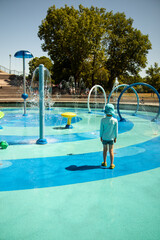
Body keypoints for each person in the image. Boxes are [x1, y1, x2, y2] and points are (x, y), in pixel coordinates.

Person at [100, 103, 118, 169]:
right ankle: (111, 164)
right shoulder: (115, 121)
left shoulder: (103, 120)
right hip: (111, 138)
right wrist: (116, 137)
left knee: (105, 150)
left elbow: (101, 129)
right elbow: (116, 130)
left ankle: (104, 162)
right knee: (111, 151)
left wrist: (100, 136)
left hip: (104, 138)